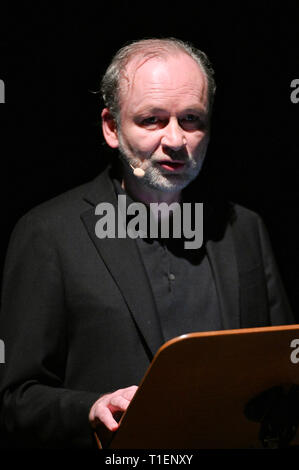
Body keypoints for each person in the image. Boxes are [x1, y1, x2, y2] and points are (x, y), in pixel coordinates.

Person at [0, 38, 295, 449]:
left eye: (192, 119)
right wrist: (90, 408)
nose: (176, 140)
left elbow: (284, 368)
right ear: (111, 127)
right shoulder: (48, 233)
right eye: (152, 120)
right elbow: (16, 399)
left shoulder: (245, 227)